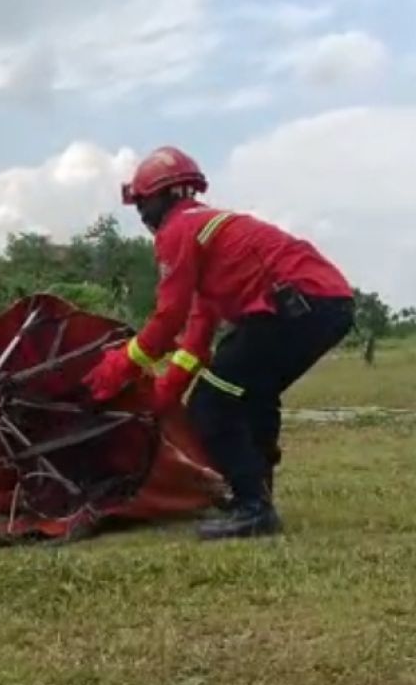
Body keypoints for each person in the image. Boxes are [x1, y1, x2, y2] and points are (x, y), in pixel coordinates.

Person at [83, 146, 355, 540]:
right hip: (325, 307)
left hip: (297, 307)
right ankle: (256, 496)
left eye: (142, 203)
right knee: (254, 396)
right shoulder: (212, 233)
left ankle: (253, 508)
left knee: (211, 406)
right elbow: (196, 337)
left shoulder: (178, 231)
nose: (142, 216)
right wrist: (165, 392)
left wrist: (118, 366)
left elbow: (167, 320)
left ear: (162, 197)